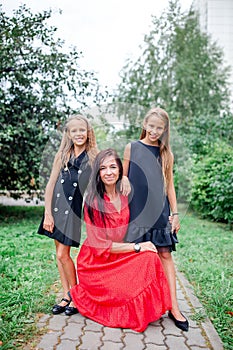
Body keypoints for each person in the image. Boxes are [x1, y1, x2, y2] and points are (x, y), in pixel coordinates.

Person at [70, 148, 172, 332]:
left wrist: (171, 216)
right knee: (141, 255)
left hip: (119, 256)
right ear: (98, 173)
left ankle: (146, 306)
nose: (108, 172)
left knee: (150, 257)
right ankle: (88, 295)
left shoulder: (126, 194)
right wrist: (138, 246)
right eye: (103, 168)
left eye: (112, 167)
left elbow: (151, 199)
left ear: (120, 170)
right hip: (96, 264)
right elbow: (99, 245)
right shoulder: (93, 202)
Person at [122, 107, 189, 332]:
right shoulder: (132, 147)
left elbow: (169, 184)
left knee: (165, 254)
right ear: (144, 124)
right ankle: (136, 305)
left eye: (159, 128)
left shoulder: (165, 153)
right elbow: (124, 177)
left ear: (164, 130)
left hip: (158, 211)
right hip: (136, 211)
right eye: (151, 126)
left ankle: (174, 307)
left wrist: (176, 213)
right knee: (137, 257)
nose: (154, 131)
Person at [38, 114, 98, 316]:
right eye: (75, 131)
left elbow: (99, 186)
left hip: (73, 212)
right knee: (59, 255)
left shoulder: (93, 157)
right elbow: (50, 185)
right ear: (69, 134)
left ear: (88, 132)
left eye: (82, 130)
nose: (79, 134)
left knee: (63, 254)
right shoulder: (62, 156)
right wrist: (47, 213)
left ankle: (74, 296)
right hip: (55, 210)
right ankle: (67, 295)